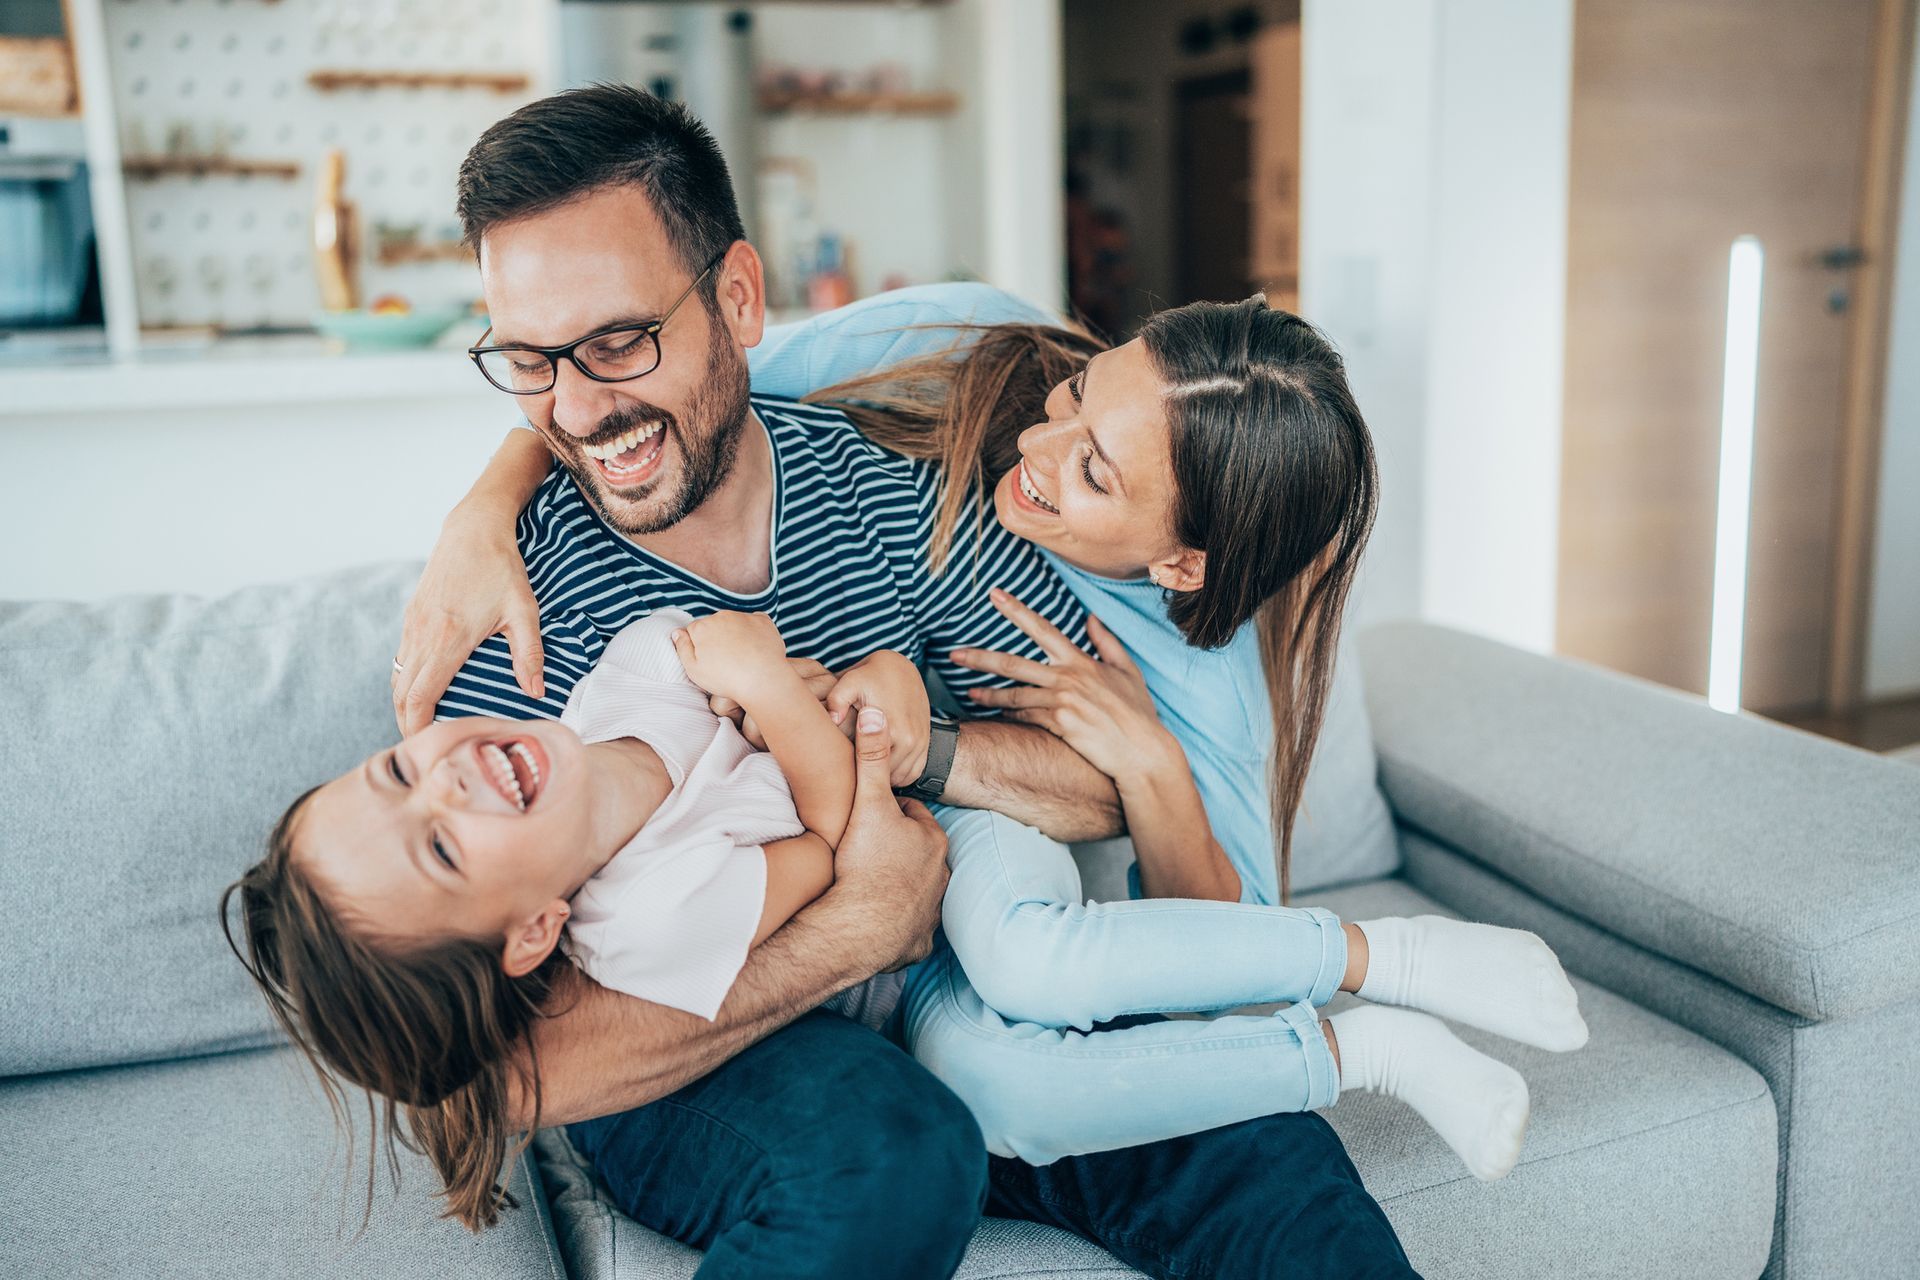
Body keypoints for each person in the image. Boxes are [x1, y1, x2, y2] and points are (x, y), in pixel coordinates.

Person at [376, 83, 1425, 1278]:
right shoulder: (506, 611)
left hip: (942, 1002)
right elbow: (494, 1065)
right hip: (706, 1062)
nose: (575, 407)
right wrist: (852, 927)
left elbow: (1092, 782)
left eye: (619, 342)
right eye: (527, 359)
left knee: (1259, 1149)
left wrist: (934, 745)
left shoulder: (890, 496)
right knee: (890, 1148)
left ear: (736, 297)